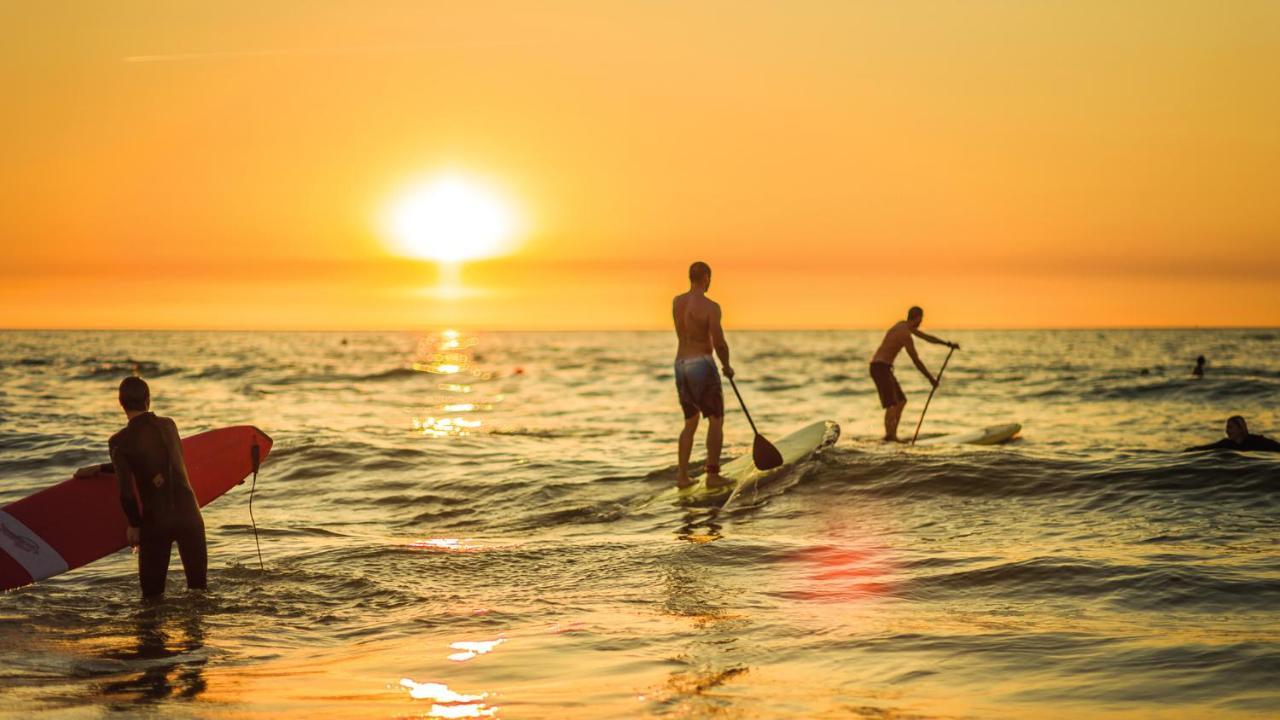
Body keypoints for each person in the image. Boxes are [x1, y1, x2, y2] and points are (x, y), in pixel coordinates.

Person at [74, 377, 207, 597]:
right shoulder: (169, 426)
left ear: (121, 403)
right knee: (199, 594)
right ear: (148, 400)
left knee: (152, 602)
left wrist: (134, 524)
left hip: (157, 522)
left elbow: (126, 491)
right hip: (190, 517)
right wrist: (103, 467)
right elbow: (159, 461)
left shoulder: (119, 441)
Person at [672, 261, 733, 489]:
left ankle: (682, 476)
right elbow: (719, 342)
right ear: (706, 277)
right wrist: (727, 366)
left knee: (690, 421)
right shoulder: (711, 307)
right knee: (716, 419)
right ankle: (713, 475)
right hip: (701, 366)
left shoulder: (677, 302)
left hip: (680, 364)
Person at [869, 306, 959, 442]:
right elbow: (916, 360)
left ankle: (893, 435)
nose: (921, 322)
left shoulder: (903, 326)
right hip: (879, 368)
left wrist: (946, 344)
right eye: (921, 319)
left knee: (901, 401)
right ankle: (889, 436)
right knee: (892, 404)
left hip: (884, 368)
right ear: (917, 317)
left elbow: (927, 337)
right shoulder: (904, 334)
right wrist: (930, 379)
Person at [1184, 416, 1280, 452]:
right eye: (1226, 428)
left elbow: (1276, 447)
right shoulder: (1226, 444)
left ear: (1240, 429)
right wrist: (1193, 449)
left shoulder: (1256, 441)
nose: (1227, 431)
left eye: (1230, 427)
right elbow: (1208, 447)